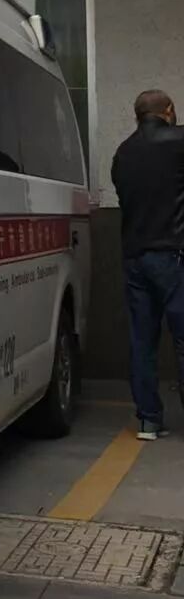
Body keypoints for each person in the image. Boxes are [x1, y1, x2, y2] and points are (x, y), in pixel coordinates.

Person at [111, 88, 184, 439]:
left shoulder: (122, 152)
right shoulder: (179, 142)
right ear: (168, 110)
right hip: (173, 254)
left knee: (142, 340)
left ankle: (149, 420)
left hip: (135, 257)